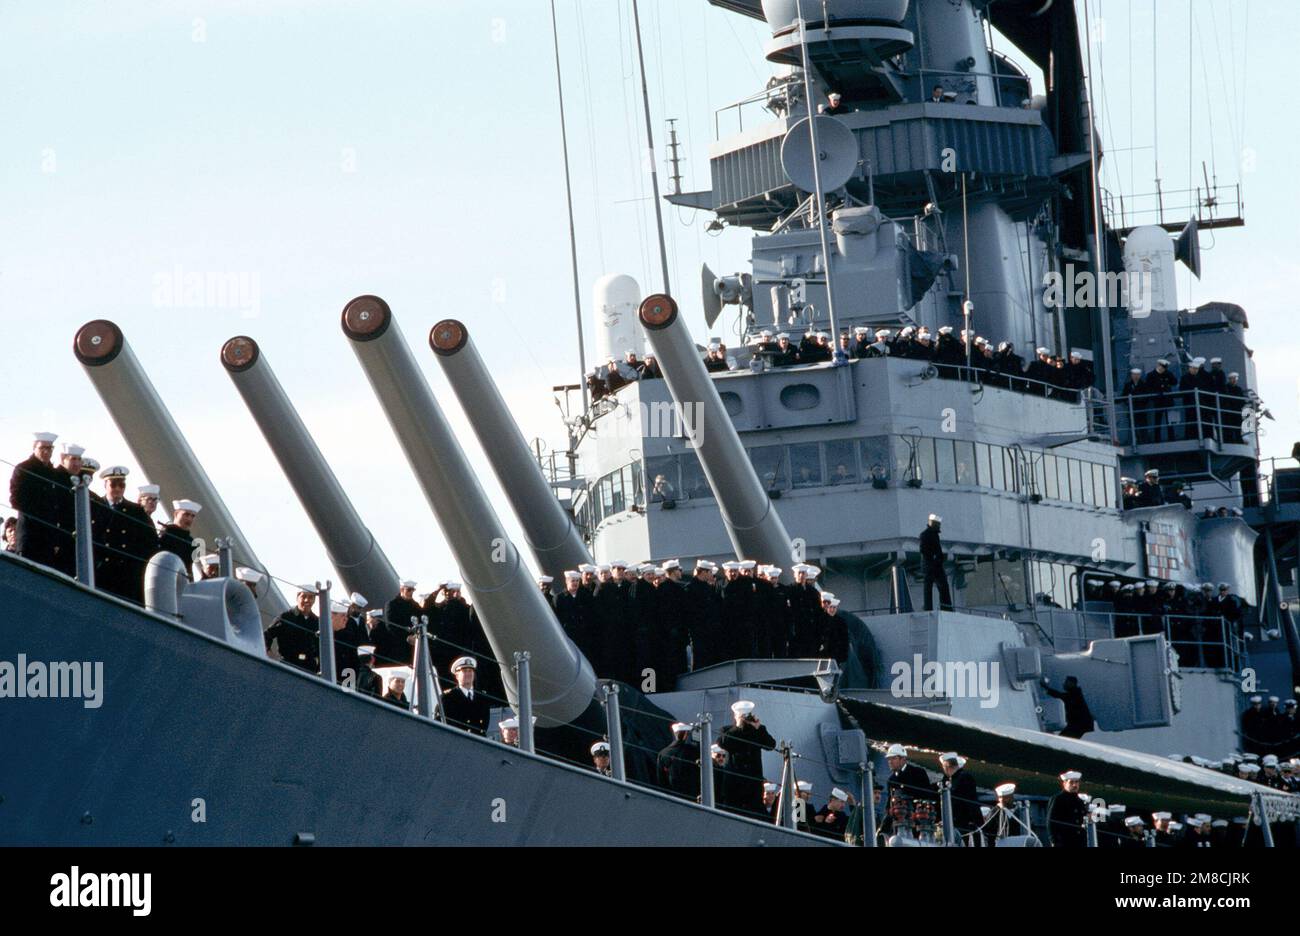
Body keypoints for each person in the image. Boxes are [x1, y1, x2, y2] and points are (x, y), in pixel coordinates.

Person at [91, 465, 158, 604]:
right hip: (100, 570)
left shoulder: (136, 511)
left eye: (121, 485)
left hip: (125, 573)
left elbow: (149, 542)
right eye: (113, 484)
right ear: (105, 485)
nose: (117, 489)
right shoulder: (95, 506)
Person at [8, 432, 66, 571]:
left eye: (50, 448)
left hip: (49, 536)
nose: (46, 452)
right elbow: (15, 499)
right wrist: (40, 511)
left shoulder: (53, 473)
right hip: (30, 534)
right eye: (42, 448)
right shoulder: (24, 469)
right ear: (34, 448)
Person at [717, 700, 776, 817]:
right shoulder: (727, 730)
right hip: (734, 783)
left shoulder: (757, 730)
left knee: (756, 815)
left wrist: (759, 728)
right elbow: (722, 743)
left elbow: (771, 745)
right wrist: (738, 726)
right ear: (735, 716)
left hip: (753, 783)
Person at [265, 586, 321, 673]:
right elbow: (267, 635)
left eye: (311, 597)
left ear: (314, 600)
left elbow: (321, 647)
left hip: (309, 668)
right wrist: (270, 655)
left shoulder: (317, 622)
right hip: (288, 666)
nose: (307, 600)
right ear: (297, 598)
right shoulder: (286, 617)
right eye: (303, 596)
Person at [937, 751, 983, 845]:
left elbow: (967, 801)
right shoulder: (949, 779)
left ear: (947, 766)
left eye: (944, 767)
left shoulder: (964, 778)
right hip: (955, 823)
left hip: (964, 823)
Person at [441, 656, 491, 736]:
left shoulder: (482, 697)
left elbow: (484, 725)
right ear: (457, 675)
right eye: (464, 671)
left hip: (479, 741)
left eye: (470, 671)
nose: (468, 674)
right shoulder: (448, 697)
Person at [158, 499, 202, 580]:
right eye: (186, 515)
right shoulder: (166, 534)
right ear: (176, 514)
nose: (189, 519)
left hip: (182, 580)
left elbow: (188, 567)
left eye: (192, 516)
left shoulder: (191, 541)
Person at [657, 722, 700, 799]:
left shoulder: (663, 753)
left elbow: (661, 779)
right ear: (686, 735)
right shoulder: (693, 752)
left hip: (672, 795)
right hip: (691, 795)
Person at [1047, 770, 1089, 847]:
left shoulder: (1080, 801)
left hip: (1079, 841)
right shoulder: (1058, 799)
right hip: (1064, 841)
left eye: (1076, 782)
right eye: (1071, 782)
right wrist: (1053, 841)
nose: (1074, 785)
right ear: (1064, 783)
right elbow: (1051, 821)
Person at [920, 514, 952, 611]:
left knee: (940, 587)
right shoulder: (926, 535)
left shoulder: (932, 534)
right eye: (938, 524)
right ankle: (943, 607)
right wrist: (935, 558)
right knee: (932, 587)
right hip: (930, 565)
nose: (939, 525)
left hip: (934, 564)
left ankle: (942, 607)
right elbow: (924, 550)